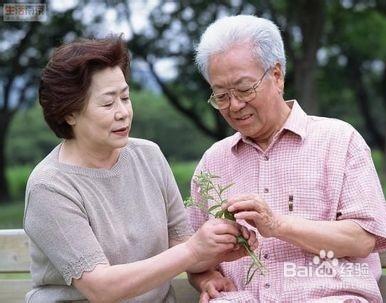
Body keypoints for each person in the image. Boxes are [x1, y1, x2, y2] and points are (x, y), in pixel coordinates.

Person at [23, 36, 258, 303]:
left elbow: (179, 242)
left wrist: (215, 254)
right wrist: (194, 251)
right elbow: (101, 288)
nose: (123, 112)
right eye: (108, 103)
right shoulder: (50, 187)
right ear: (69, 113)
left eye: (125, 97)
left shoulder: (148, 155)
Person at [187, 15, 386, 303]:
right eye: (221, 95)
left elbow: (362, 240)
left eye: (244, 89)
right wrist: (205, 277)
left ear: (276, 76)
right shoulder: (213, 162)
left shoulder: (338, 141)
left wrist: (277, 226)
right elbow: (195, 256)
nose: (234, 105)